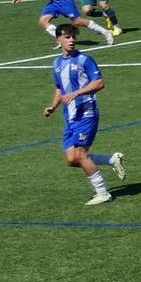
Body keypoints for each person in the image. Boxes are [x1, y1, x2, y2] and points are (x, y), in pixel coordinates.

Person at [45, 23, 128, 206]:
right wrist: (53, 106)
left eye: (73, 37)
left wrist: (78, 93)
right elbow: (60, 88)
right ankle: (111, 159)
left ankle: (103, 193)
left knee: (81, 154)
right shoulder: (57, 63)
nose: (72, 40)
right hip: (70, 116)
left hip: (86, 113)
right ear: (58, 39)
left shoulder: (84, 60)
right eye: (67, 37)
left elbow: (99, 83)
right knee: (72, 159)